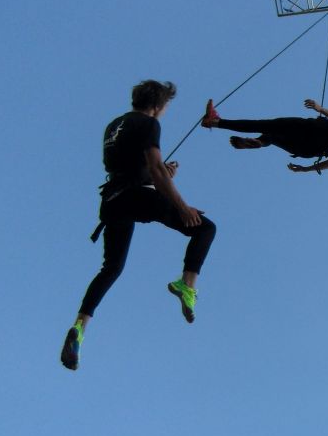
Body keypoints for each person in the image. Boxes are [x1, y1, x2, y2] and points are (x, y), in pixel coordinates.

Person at [61, 80, 217, 371]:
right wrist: (182, 206)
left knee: (112, 268)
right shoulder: (149, 124)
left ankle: (79, 327)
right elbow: (155, 170)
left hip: (112, 201)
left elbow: (130, 168)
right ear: (158, 105)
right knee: (204, 228)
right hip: (133, 196)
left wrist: (156, 174)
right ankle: (187, 285)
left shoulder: (114, 125)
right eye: (166, 107)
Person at [200, 98, 328, 176]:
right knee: (274, 137)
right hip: (310, 151)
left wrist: (321, 108)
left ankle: (216, 121)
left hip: (315, 130)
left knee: (267, 125)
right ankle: (261, 142)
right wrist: (306, 169)